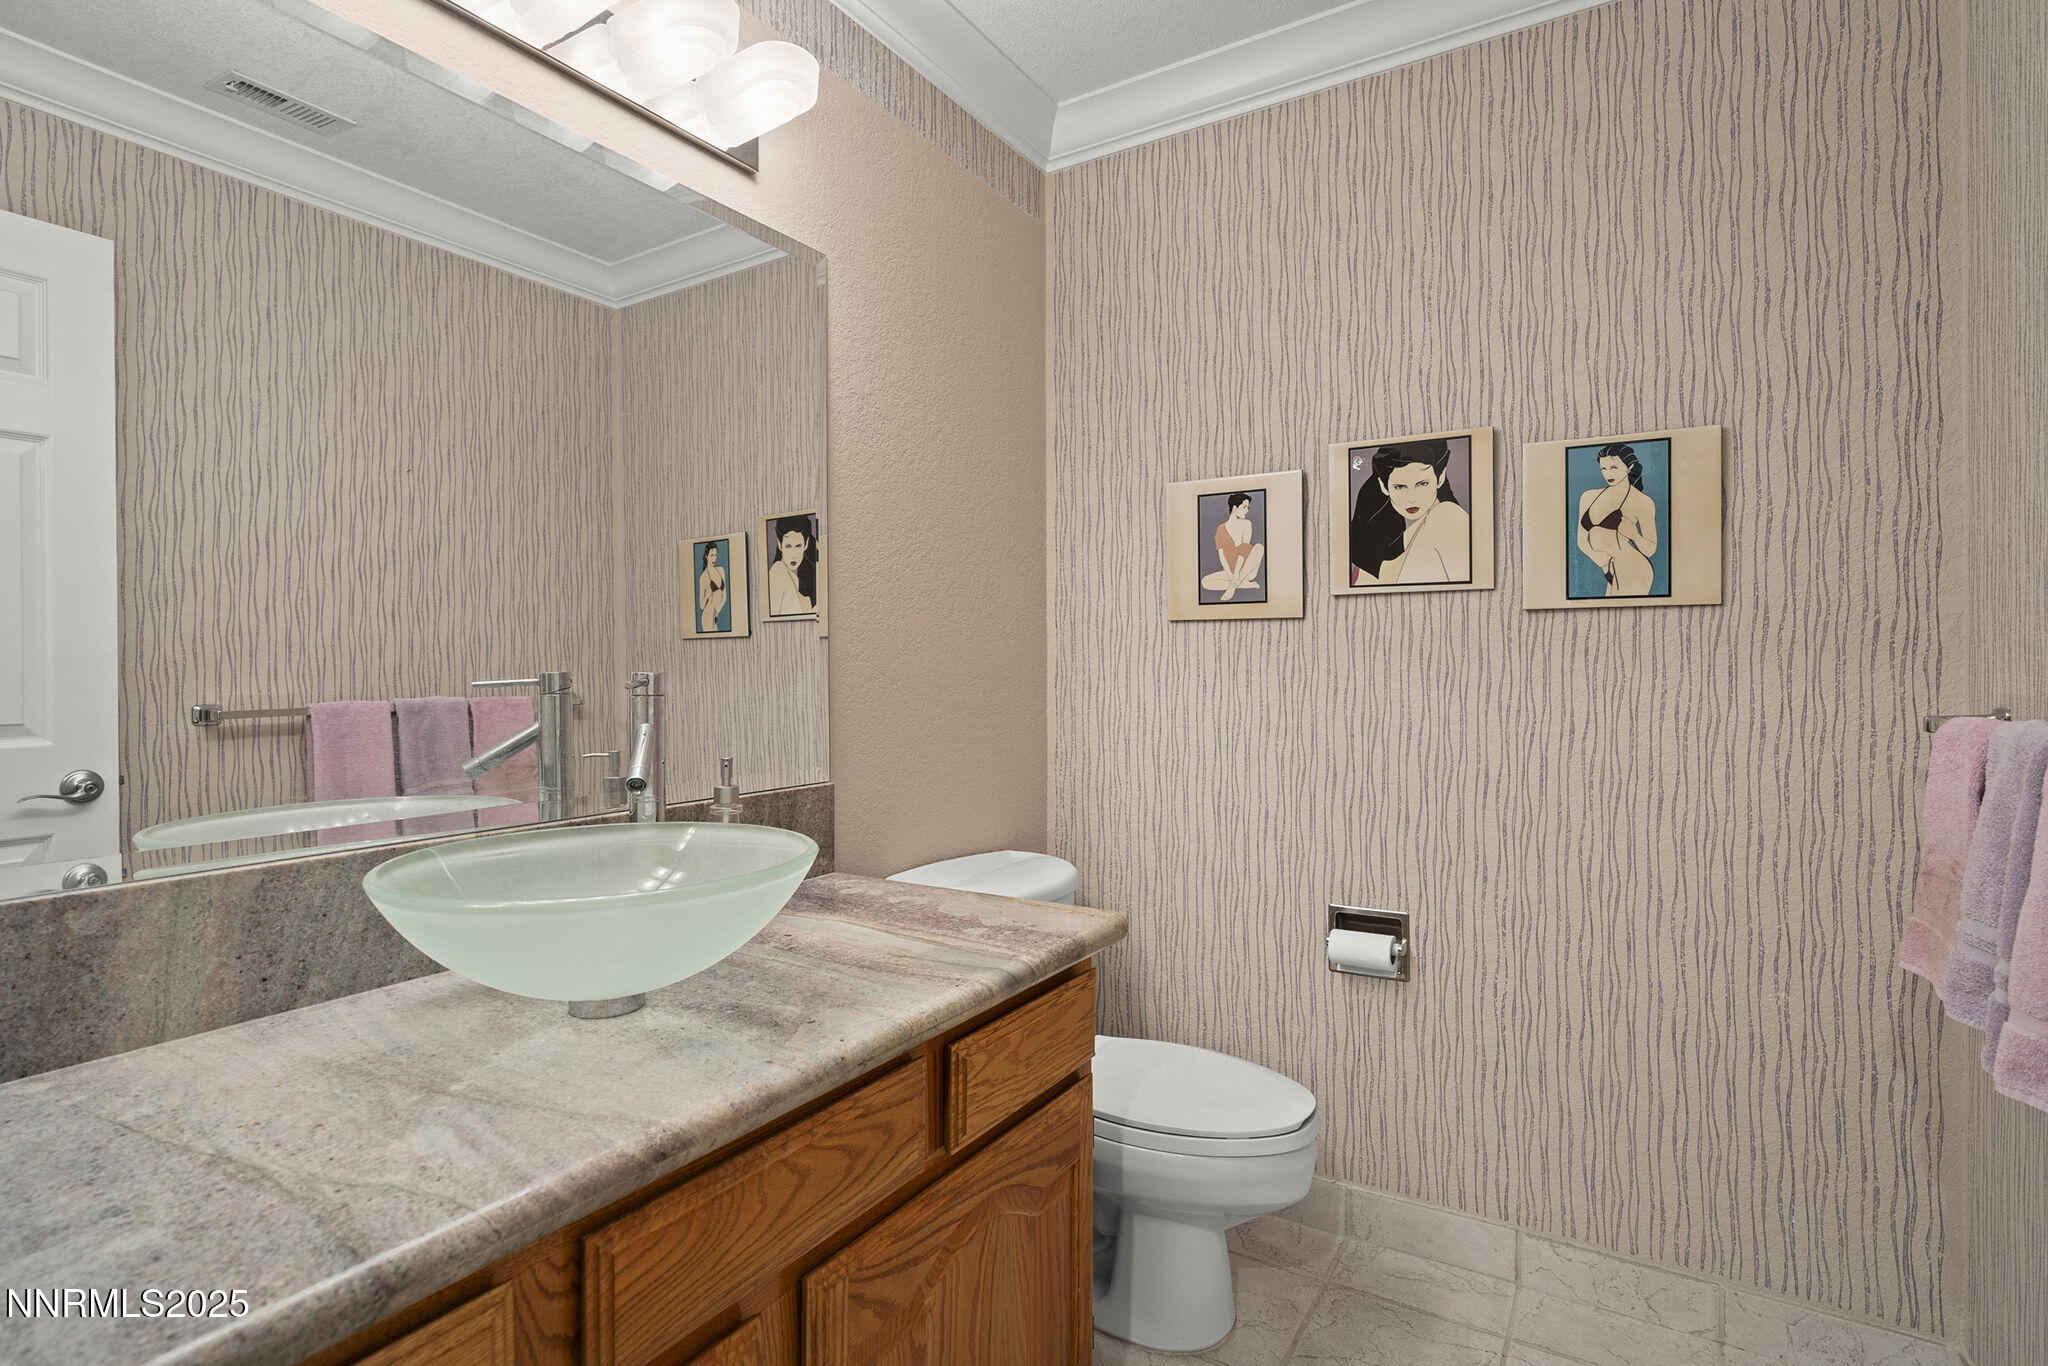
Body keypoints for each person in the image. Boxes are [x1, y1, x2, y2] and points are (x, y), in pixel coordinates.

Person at [1348, 440, 1470, 585]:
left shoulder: (1447, 516)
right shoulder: (1390, 540)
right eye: (1400, 487)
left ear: (1441, 477)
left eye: (1422, 484)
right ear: (1384, 486)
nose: (1411, 498)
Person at [1575, 443, 1658, 596]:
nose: (1608, 474)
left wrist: (1635, 535)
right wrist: (1604, 563)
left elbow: (1650, 550)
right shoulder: (1588, 497)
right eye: (1603, 469)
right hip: (1608, 567)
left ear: (1629, 467)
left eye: (1614, 467)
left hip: (1633, 569)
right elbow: (1581, 542)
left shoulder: (1643, 502)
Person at [1200, 493, 1265, 601]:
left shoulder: (1247, 524)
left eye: (1248, 507)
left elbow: (1245, 549)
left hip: (1247, 569)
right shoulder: (1220, 529)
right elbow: (1222, 556)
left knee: (1259, 547)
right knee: (1205, 582)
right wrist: (1231, 575)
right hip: (1229, 571)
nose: (1247, 511)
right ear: (1235, 508)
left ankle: (1233, 586)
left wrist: (1236, 575)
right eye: (1244, 507)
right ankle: (1244, 584)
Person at [767, 516, 819, 615]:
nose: (793, 554)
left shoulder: (798, 579)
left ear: (806, 544)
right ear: (780, 544)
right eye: (788, 546)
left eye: (798, 546)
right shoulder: (778, 571)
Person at [697, 542, 728, 632]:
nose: (714, 558)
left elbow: (724, 596)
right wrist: (707, 595)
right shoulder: (703, 577)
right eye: (711, 555)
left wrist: (717, 610)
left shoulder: (721, 570)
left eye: (715, 555)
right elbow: (701, 606)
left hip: (716, 614)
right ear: (706, 556)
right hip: (707, 616)